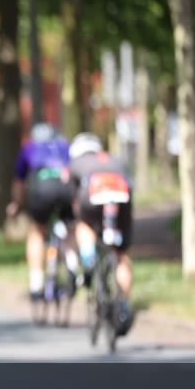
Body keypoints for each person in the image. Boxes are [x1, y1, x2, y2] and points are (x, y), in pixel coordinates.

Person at [67, 132, 135, 334]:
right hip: (121, 198)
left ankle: (88, 261)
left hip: (93, 195)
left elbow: (73, 199)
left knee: (83, 225)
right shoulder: (114, 159)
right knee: (121, 255)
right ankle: (123, 305)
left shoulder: (76, 163)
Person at [6, 123, 73, 302]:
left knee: (37, 230)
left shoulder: (29, 148)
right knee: (71, 228)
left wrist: (16, 204)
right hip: (66, 189)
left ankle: (36, 285)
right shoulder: (65, 146)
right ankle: (73, 266)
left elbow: (19, 182)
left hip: (42, 191)